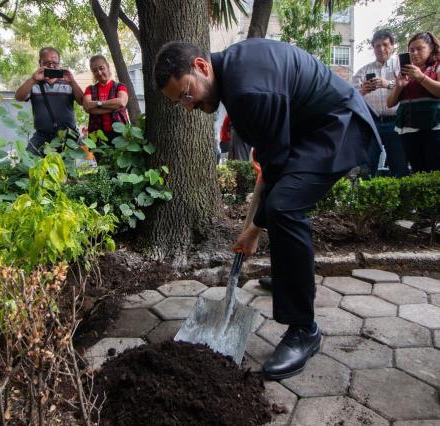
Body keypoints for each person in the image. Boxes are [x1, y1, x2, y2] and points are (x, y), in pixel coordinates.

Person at [154, 40, 379, 380]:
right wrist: (253, 225)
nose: (188, 106)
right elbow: (270, 167)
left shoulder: (247, 91)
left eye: (186, 94)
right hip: (310, 132)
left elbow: (277, 169)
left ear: (200, 66)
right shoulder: (234, 77)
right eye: (179, 103)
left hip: (340, 126)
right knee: (278, 203)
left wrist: (254, 228)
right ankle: (291, 278)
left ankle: (304, 330)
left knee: (285, 208)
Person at [354, 29, 409, 177]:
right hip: (371, 123)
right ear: (373, 48)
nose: (381, 49)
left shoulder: (401, 67)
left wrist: (388, 84)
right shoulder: (363, 70)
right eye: (377, 46)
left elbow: (411, 86)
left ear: (392, 46)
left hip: (396, 122)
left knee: (399, 165)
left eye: (385, 44)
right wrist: (362, 90)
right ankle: (365, 197)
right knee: (367, 165)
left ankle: (402, 198)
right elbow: (350, 95)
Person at [387, 32, 440, 173]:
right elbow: (390, 103)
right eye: (411, 50)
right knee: (417, 171)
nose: (414, 53)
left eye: (420, 48)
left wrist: (421, 77)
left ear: (431, 48)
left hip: (433, 126)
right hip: (408, 126)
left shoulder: (437, 66)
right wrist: (399, 86)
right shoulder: (405, 72)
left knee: (435, 169)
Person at [14, 47, 84, 154]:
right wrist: (33, 79)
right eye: (46, 62)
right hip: (42, 136)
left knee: (66, 169)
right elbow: (18, 97)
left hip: (67, 136)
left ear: (59, 63)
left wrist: (72, 82)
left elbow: (82, 101)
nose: (51, 65)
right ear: (40, 63)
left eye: (55, 62)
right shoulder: (34, 83)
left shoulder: (67, 82)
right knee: (28, 163)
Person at [83, 55, 129, 143]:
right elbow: (87, 106)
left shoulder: (120, 86)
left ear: (107, 66)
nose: (99, 73)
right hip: (97, 135)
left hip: (120, 134)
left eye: (101, 68)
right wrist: (113, 108)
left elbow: (121, 102)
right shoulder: (90, 89)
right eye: (95, 71)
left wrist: (97, 104)